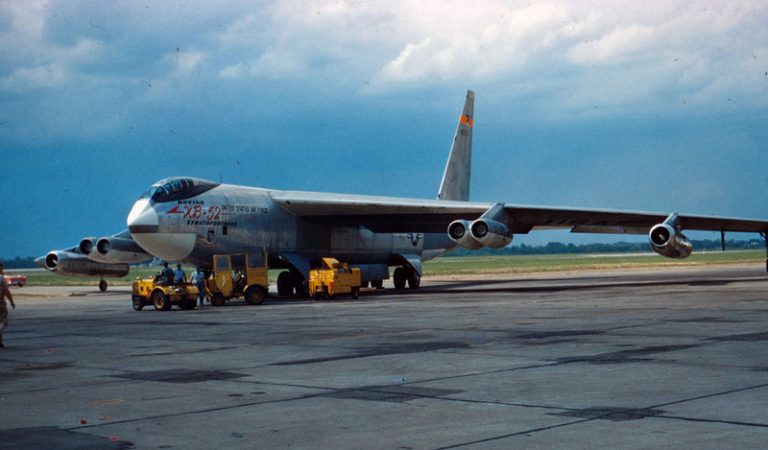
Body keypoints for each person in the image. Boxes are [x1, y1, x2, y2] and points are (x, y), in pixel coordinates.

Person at [0, 262, 16, 348]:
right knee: (4, 322)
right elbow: (6, 291)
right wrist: (11, 301)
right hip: (0, 303)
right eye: (1, 268)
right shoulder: (1, 278)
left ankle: (0, 342)